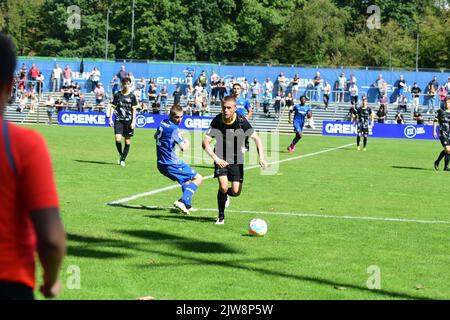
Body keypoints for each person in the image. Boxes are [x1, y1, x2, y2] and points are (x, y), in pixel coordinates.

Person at [0, 32, 66, 300]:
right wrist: (51, 281)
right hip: (9, 282)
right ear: (9, 85)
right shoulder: (24, 145)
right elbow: (51, 238)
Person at [202, 96, 268, 225]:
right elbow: (205, 143)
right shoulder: (217, 120)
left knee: (236, 192)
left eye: (229, 108)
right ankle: (221, 216)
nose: (226, 110)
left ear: (235, 108)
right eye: (224, 108)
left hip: (237, 157)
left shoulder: (241, 121)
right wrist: (216, 158)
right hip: (220, 155)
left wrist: (262, 158)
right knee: (223, 185)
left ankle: (226, 195)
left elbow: (257, 138)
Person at [155, 105, 203, 214]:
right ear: (171, 116)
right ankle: (182, 201)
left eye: (181, 117)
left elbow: (155, 136)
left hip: (161, 163)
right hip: (170, 163)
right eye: (176, 117)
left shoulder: (162, 122)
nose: (179, 119)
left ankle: (187, 205)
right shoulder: (174, 129)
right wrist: (187, 141)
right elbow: (183, 148)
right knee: (198, 178)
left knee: (186, 181)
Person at [108, 77, 138, 166]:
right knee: (117, 139)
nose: (126, 85)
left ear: (130, 84)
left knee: (127, 141)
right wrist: (110, 118)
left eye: (128, 83)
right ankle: (121, 155)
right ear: (122, 84)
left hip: (128, 121)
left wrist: (133, 122)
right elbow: (113, 106)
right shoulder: (117, 95)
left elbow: (134, 110)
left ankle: (123, 159)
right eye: (125, 83)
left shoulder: (132, 96)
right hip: (119, 120)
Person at [232, 83, 253, 151]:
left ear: (240, 90)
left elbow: (250, 111)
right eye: (235, 88)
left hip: (241, 120)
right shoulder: (230, 100)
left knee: (247, 132)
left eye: (238, 89)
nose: (236, 90)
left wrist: (246, 118)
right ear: (233, 89)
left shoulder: (244, 100)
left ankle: (246, 146)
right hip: (232, 120)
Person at [433, 96, 450, 171]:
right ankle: (445, 167)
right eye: (446, 102)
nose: (447, 103)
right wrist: (434, 131)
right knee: (448, 149)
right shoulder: (440, 111)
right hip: (442, 132)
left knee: (448, 150)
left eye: (449, 102)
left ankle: (438, 162)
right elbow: (435, 121)